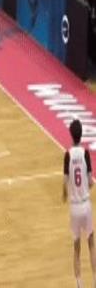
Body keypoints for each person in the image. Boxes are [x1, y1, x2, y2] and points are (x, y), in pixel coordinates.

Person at [63, 119, 96, 287]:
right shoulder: (85, 154)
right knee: (91, 244)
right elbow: (90, 181)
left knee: (76, 248)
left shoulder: (68, 155)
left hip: (74, 207)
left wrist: (64, 194)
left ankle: (79, 284)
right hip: (85, 204)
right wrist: (88, 185)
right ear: (81, 135)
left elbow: (65, 182)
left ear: (71, 134)